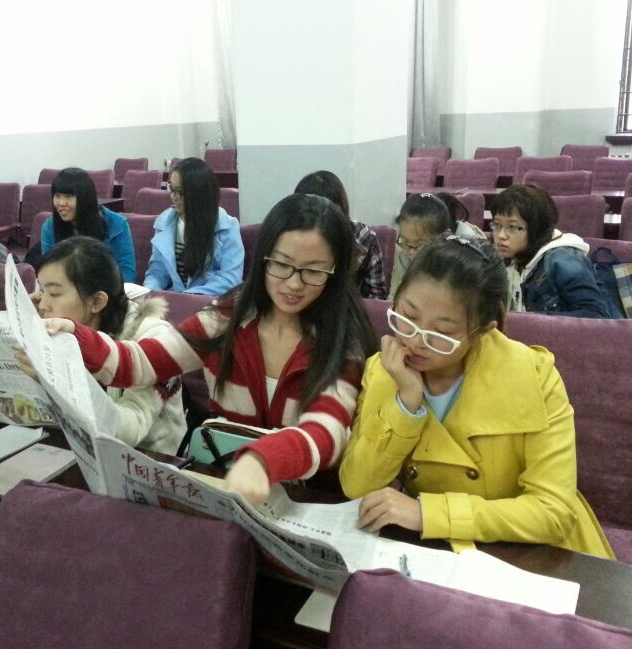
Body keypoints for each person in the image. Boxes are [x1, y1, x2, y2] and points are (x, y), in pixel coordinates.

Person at [27, 194, 378, 505]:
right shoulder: (228, 318)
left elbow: (327, 431)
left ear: (335, 272)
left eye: (313, 272)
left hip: (307, 500)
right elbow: (141, 363)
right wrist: (75, 338)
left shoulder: (342, 338)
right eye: (282, 264)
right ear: (263, 258)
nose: (293, 283)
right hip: (229, 486)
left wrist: (263, 460)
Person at [339, 234, 614, 559]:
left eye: (442, 333)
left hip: (537, 557)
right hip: (440, 553)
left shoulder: (533, 375)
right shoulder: (386, 369)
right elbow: (356, 484)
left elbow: (552, 513)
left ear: (482, 331)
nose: (415, 342)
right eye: (407, 317)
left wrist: (429, 513)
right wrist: (405, 403)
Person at [34, 237, 186, 454]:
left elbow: (131, 430)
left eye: (54, 294)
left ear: (97, 301)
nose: (43, 304)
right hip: (75, 445)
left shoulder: (153, 337)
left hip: (145, 457)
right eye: (41, 291)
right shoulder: (58, 328)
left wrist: (59, 380)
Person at [491, 184, 610, 318]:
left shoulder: (563, 261)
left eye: (512, 227)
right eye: (497, 225)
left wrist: (529, 321)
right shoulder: (504, 256)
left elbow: (596, 316)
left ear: (536, 227)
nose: (501, 235)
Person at [143, 157, 243, 294]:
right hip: (175, 301)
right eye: (171, 188)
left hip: (209, 301)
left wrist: (188, 298)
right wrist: (150, 293)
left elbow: (230, 279)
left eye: (180, 192)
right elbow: (156, 273)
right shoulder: (164, 223)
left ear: (199, 194)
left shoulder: (228, 227)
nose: (173, 197)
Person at [294, 170, 387, 299]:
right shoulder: (288, 236)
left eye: (330, 214)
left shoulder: (363, 238)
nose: (320, 219)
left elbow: (376, 297)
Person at [40, 168, 136, 282]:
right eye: (57, 196)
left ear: (85, 198)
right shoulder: (50, 227)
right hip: (66, 289)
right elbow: (49, 271)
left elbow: (127, 273)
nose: (61, 203)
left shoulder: (117, 224)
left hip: (107, 288)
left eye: (68, 196)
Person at [389, 192, 485, 295]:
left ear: (445, 237)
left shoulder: (463, 264)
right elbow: (394, 297)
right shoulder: (403, 253)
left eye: (420, 245)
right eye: (405, 241)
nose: (411, 253)